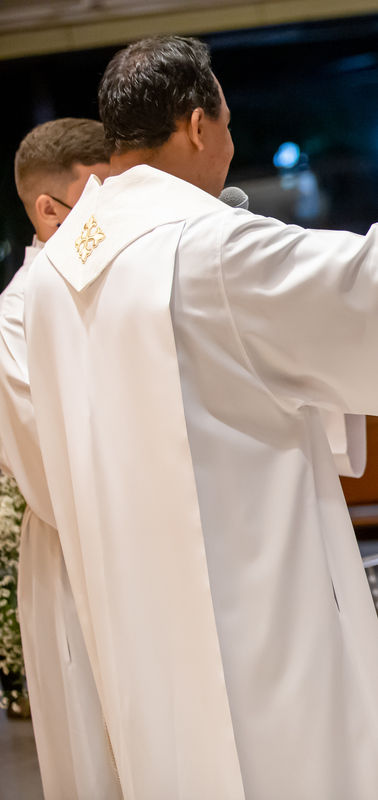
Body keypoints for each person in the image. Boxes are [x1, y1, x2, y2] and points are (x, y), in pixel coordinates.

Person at [11, 36, 378, 797]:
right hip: (249, 584)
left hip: (129, 595)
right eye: (226, 121)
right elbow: (367, 285)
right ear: (197, 125)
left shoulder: (54, 273)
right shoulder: (207, 246)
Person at [8, 118, 120, 799]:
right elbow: (51, 469)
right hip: (81, 554)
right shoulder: (15, 316)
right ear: (50, 211)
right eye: (103, 195)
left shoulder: (125, 282)